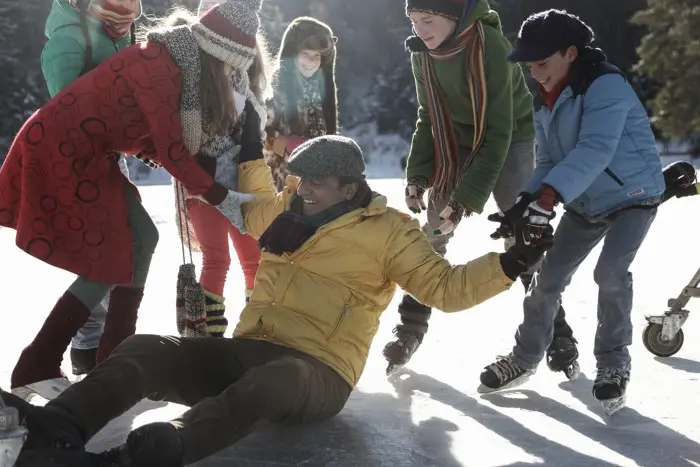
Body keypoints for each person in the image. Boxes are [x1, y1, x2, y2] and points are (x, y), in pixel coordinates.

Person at [1, 135, 554, 466]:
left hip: (318, 371)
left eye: (313, 184)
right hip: (250, 347)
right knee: (148, 348)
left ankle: (144, 458)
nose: (300, 191)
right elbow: (244, 201)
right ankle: (56, 428)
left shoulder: (390, 230)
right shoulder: (287, 211)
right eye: (296, 181)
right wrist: (239, 144)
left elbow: (446, 289)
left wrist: (512, 261)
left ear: (348, 185)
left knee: (274, 380)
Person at [0, 0, 258, 401]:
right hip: (61, 150)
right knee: (109, 258)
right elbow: (171, 149)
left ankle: (115, 358)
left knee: (143, 237)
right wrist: (219, 195)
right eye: (229, 66)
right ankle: (37, 364)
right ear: (216, 51)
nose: (228, 76)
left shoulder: (174, 62)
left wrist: (166, 158)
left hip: (87, 151)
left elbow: (133, 123)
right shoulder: (159, 67)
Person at [477, 10, 665, 415]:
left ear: (571, 53)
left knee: (611, 272)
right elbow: (547, 160)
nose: (534, 74)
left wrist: (549, 199)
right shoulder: (546, 99)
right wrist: (524, 202)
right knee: (547, 280)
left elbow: (595, 149)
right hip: (585, 201)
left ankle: (613, 365)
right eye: (529, 67)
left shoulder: (606, 86)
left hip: (634, 196)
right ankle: (524, 358)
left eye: (541, 64)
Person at [383, 0, 576, 375]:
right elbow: (428, 116)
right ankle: (410, 326)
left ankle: (557, 329)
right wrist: (418, 174)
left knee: (522, 236)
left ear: (454, 16)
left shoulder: (491, 45)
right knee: (432, 236)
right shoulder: (422, 53)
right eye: (413, 20)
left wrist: (464, 200)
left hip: (510, 139)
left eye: (427, 19)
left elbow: (498, 132)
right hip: (456, 143)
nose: (419, 30)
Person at [40, 0, 147, 378]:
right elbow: (67, 115)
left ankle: (106, 345)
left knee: (134, 241)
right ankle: (87, 344)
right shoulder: (68, 40)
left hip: (108, 158)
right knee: (114, 248)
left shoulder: (117, 30)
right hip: (77, 164)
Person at [172, 1, 272, 337]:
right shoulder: (195, 79)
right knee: (217, 259)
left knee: (253, 256)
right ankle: (208, 333)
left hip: (239, 177)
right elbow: (189, 136)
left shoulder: (241, 75)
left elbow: (254, 121)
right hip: (203, 183)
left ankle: (257, 328)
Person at [263, 16, 338, 192]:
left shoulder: (319, 88)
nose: (311, 62)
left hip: (316, 180)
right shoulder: (275, 87)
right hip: (283, 182)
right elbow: (261, 137)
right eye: (305, 54)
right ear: (293, 53)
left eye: (317, 56)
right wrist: (289, 144)